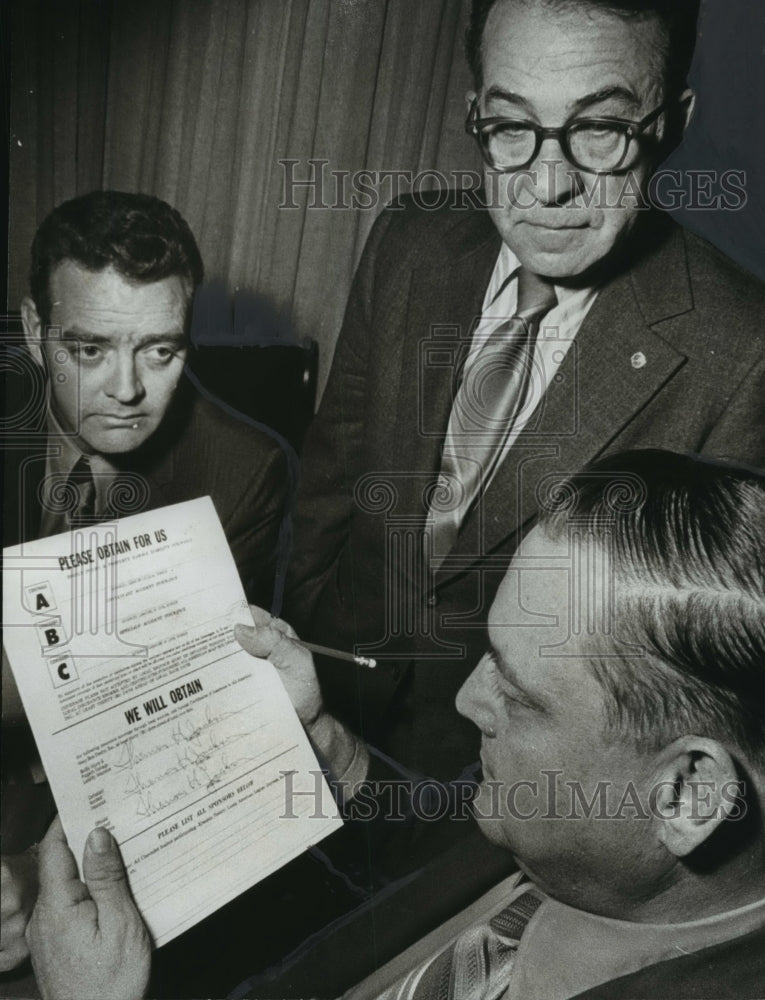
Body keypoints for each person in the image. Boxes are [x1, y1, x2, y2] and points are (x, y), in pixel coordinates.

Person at [24, 450, 765, 999]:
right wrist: (319, 738)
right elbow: (453, 853)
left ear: (687, 795)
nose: (469, 701)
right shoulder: (599, 849)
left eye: (519, 694)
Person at [285, 0, 765, 785]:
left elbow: (681, 691)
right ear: (475, 113)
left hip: (508, 797)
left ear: (671, 122)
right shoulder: (409, 241)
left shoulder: (743, 352)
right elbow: (332, 482)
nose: (547, 185)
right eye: (511, 126)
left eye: (600, 129)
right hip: (320, 707)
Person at [0, 189, 293, 975]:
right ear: (34, 332)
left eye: (160, 351)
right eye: (89, 350)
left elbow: (174, 739)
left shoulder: (241, 474)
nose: (127, 391)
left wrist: (42, 873)